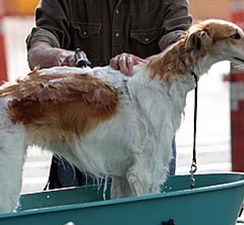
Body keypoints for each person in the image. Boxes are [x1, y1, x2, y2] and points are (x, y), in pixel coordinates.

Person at [26, 0, 192, 189]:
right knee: (77, 215)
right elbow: (38, 48)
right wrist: (61, 56)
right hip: (79, 137)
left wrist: (142, 67)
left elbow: (182, 47)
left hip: (149, 140)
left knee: (151, 213)